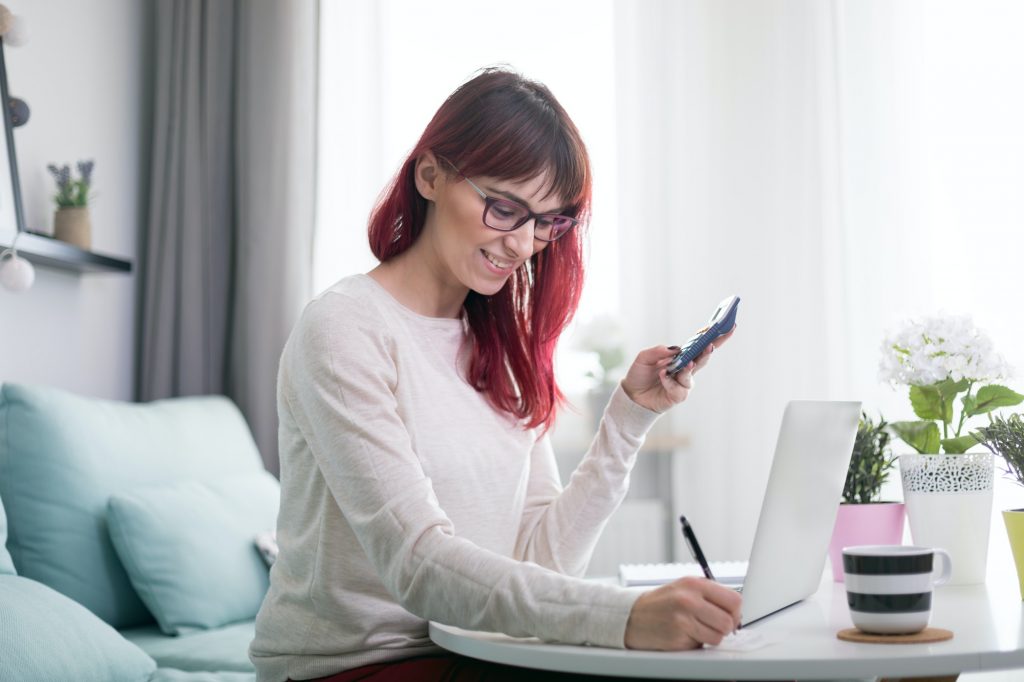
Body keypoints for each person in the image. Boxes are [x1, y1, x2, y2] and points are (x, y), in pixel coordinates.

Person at [249, 67, 740, 682]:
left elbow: (543, 562)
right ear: (430, 175)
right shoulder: (344, 330)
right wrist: (623, 617)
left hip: (481, 651)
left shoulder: (501, 348)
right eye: (505, 208)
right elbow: (419, 565)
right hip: (358, 665)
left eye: (546, 222)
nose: (524, 243)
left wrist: (628, 420)